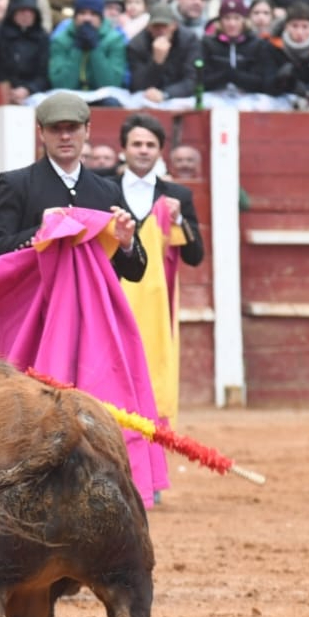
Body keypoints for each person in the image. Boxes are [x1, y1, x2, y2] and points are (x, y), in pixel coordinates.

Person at [0, 92, 141, 279]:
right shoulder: (16, 183)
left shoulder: (108, 191)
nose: (64, 136)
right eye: (55, 128)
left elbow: (135, 273)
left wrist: (127, 244)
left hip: (89, 305)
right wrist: (40, 231)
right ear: (41, 133)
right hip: (39, 303)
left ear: (87, 130)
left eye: (72, 128)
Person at [115, 112, 202, 427]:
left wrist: (178, 221)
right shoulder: (102, 189)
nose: (143, 150)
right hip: (112, 297)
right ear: (123, 149)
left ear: (160, 151)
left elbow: (195, 255)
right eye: (136, 143)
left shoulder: (178, 196)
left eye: (150, 145)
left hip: (155, 305)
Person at [47, 0, 127, 93]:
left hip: (102, 96)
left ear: (101, 18)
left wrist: (95, 48)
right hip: (70, 95)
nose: (87, 18)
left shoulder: (114, 40)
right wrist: (77, 48)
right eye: (82, 13)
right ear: (75, 16)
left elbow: (111, 84)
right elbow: (61, 84)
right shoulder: (61, 40)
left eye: (93, 14)